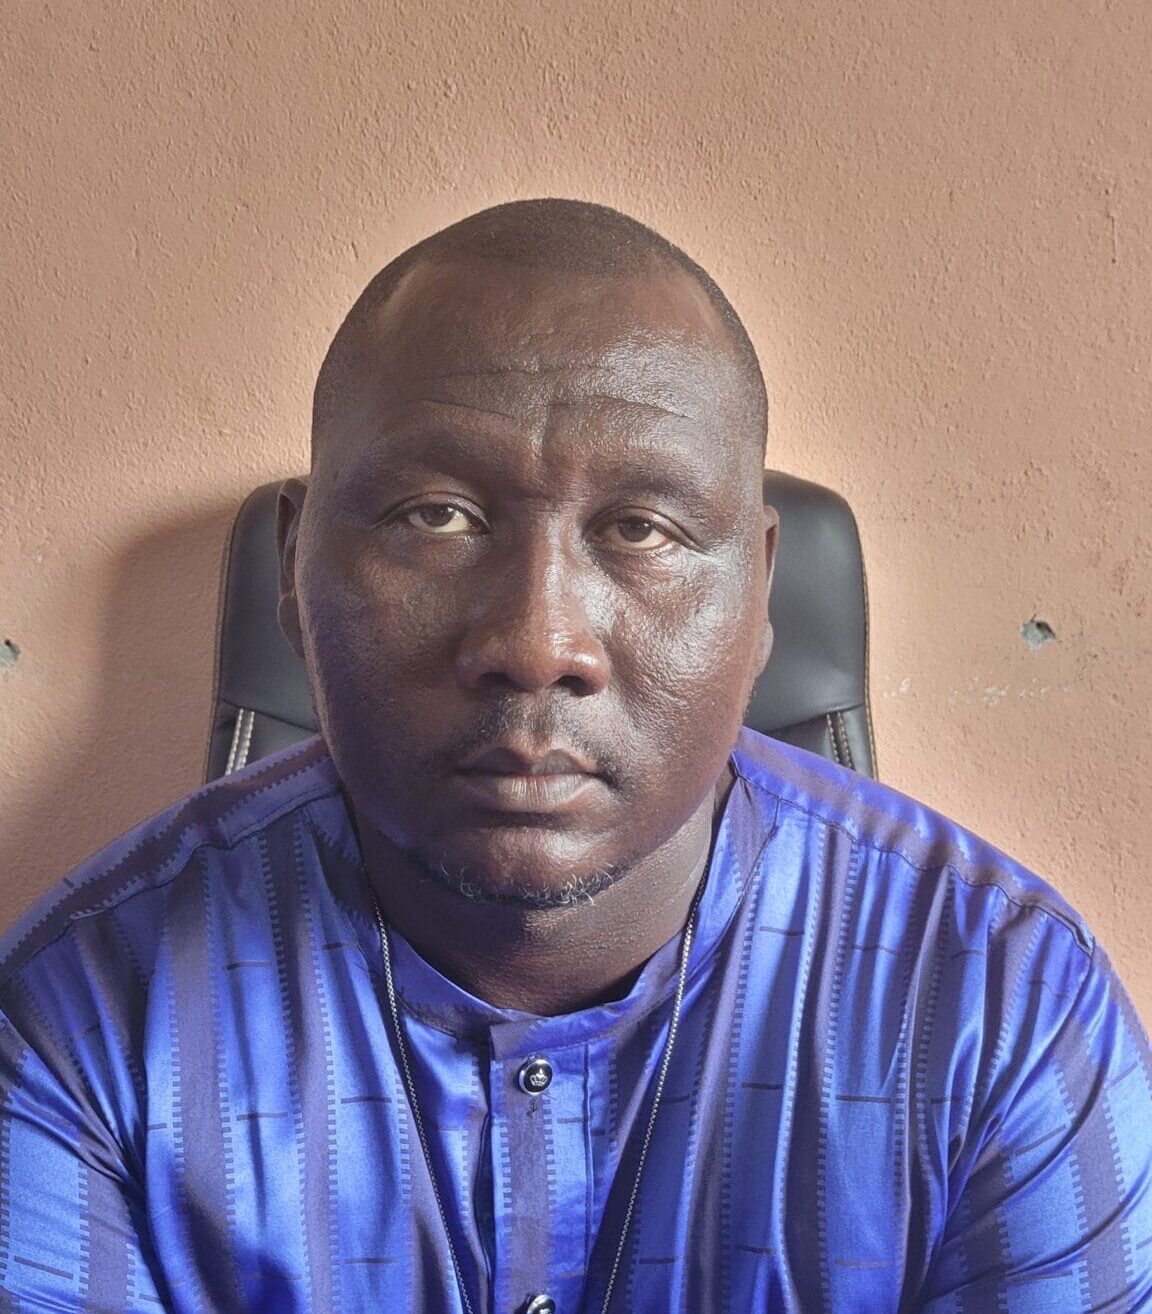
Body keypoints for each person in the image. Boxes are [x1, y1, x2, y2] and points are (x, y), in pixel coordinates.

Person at [0, 199, 1149, 1314]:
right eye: (433, 515)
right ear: (296, 571)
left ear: (759, 593)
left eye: (641, 528)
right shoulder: (82, 1013)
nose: (537, 643)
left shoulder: (1003, 1008)